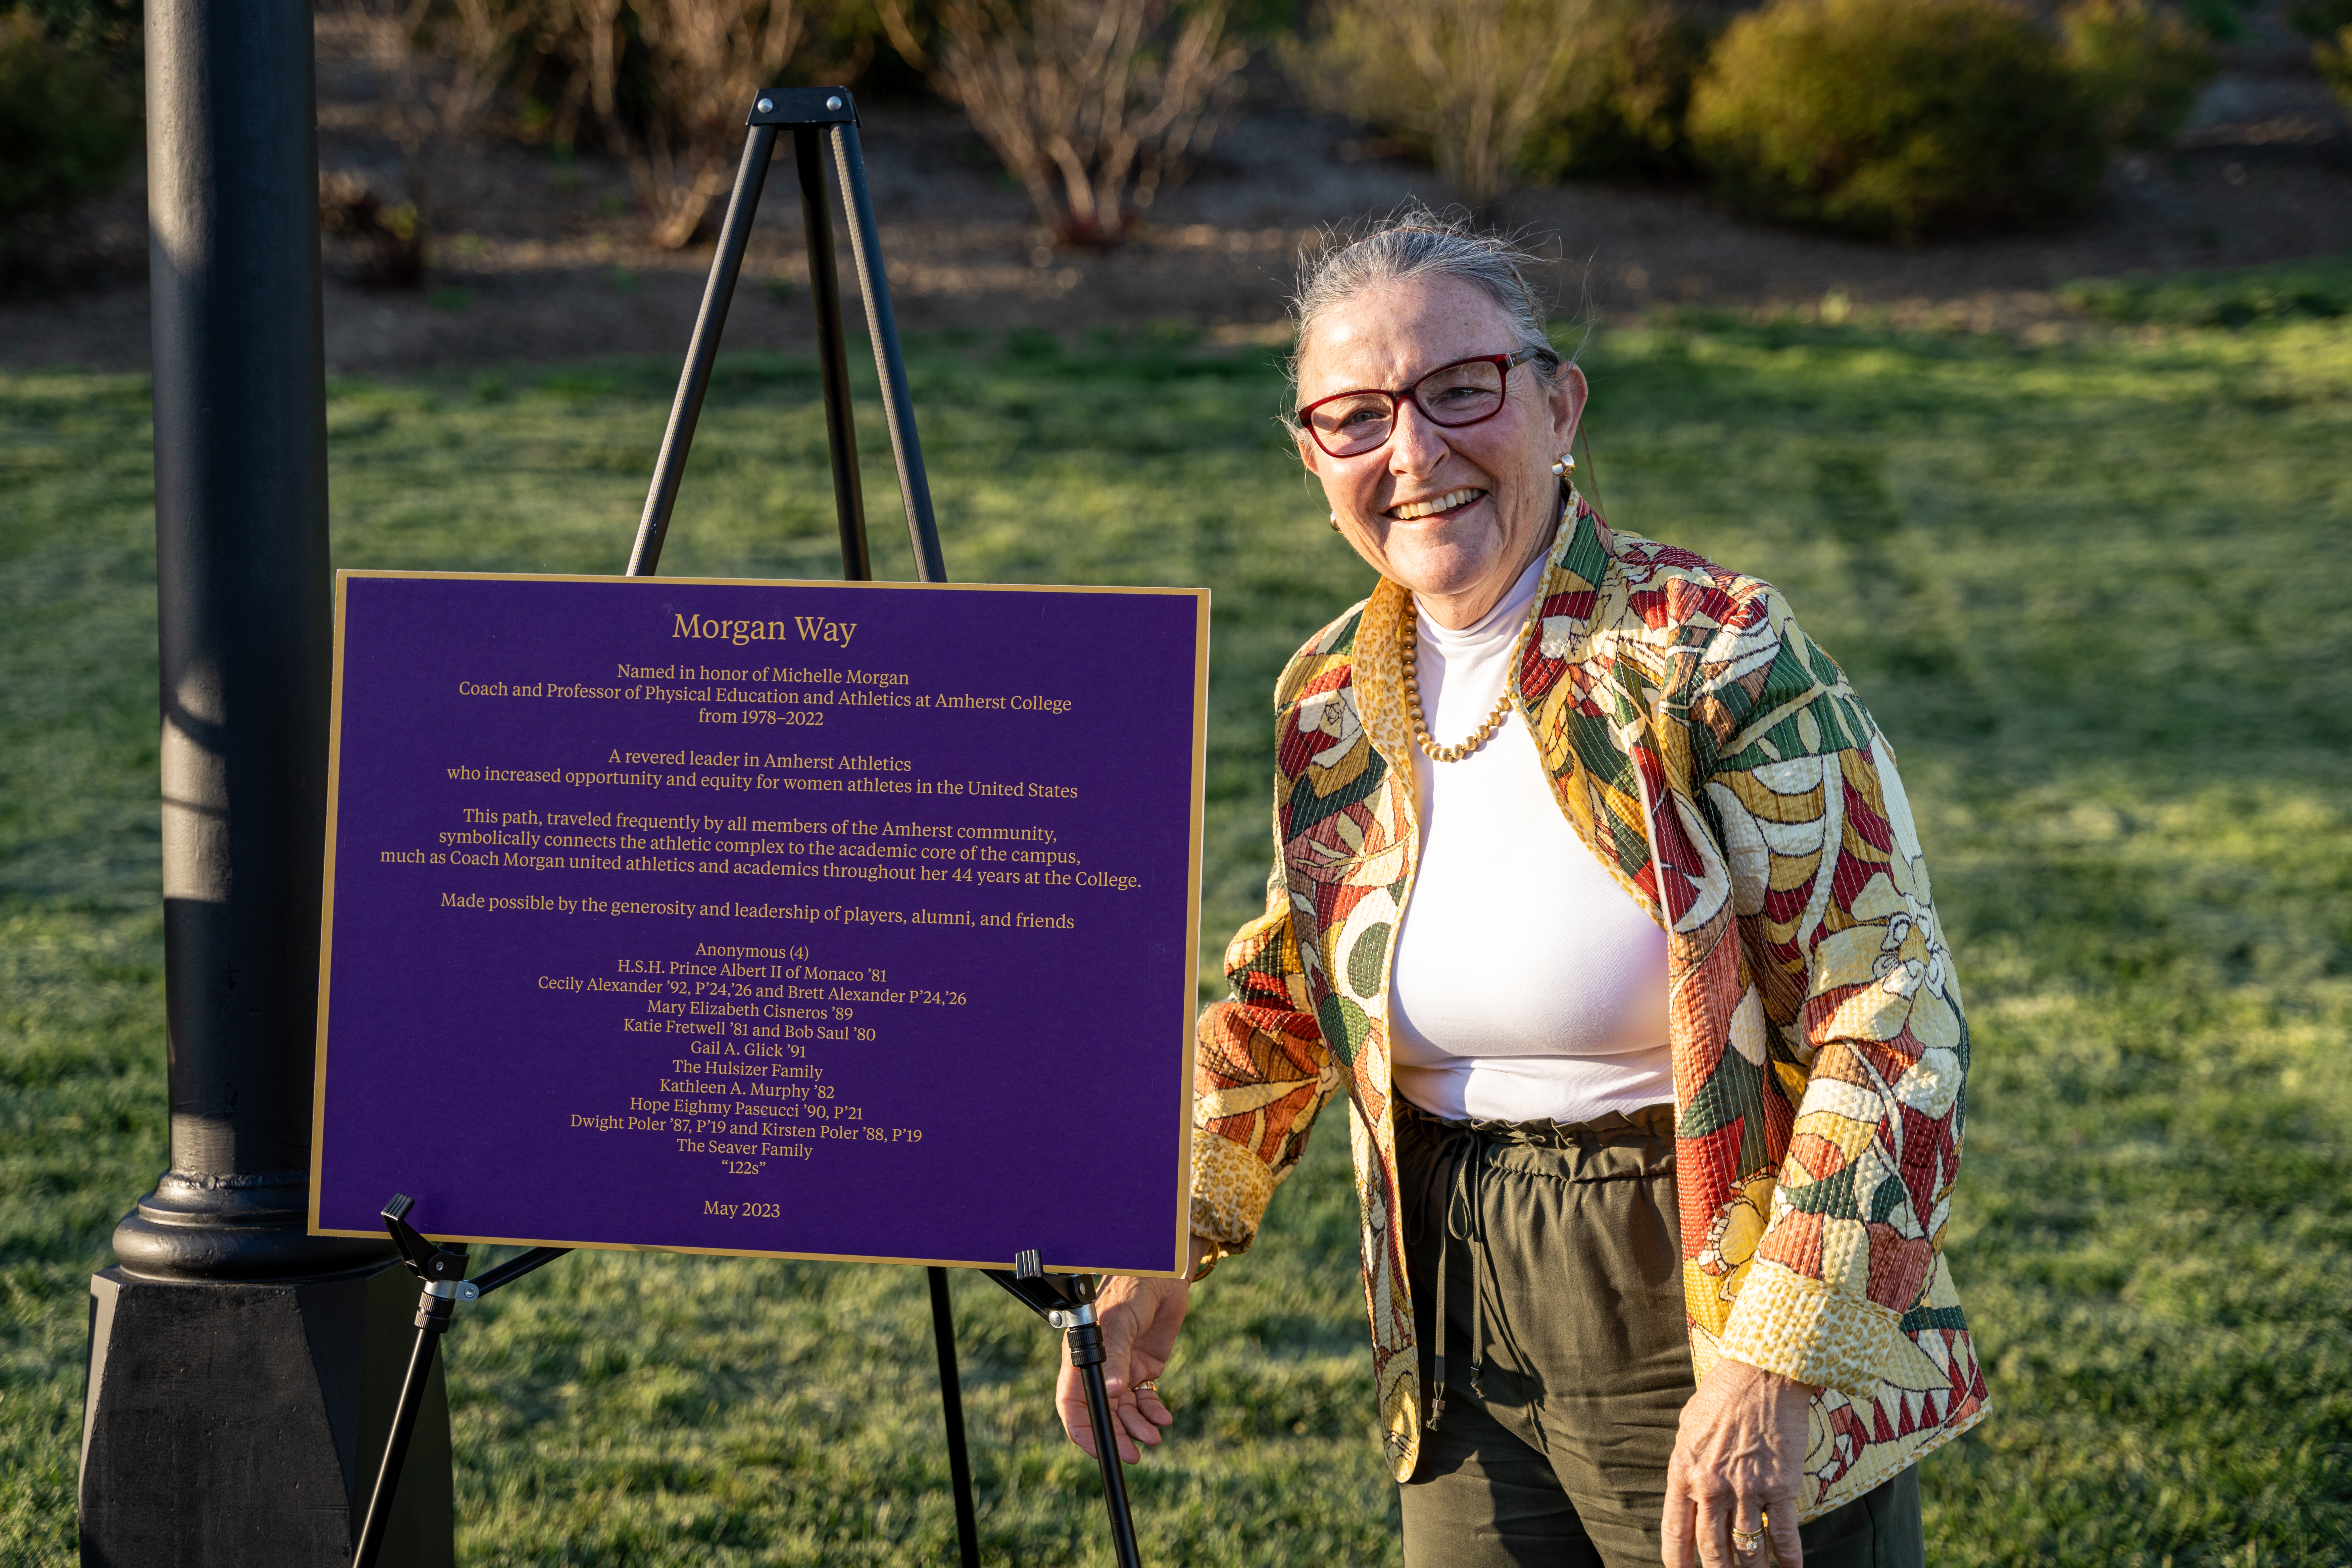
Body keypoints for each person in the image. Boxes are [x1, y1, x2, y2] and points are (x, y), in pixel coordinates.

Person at [1052, 211, 1989, 1568]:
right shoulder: (1330, 697)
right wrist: (1165, 1239)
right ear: (1312, 458)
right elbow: (1296, 985)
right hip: (1454, 1303)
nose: (1415, 453)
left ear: (1561, 404)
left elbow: (1891, 1013)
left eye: (1460, 390)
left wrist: (1774, 1362)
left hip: (1703, 1265)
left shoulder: (1712, 654)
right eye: (1355, 417)